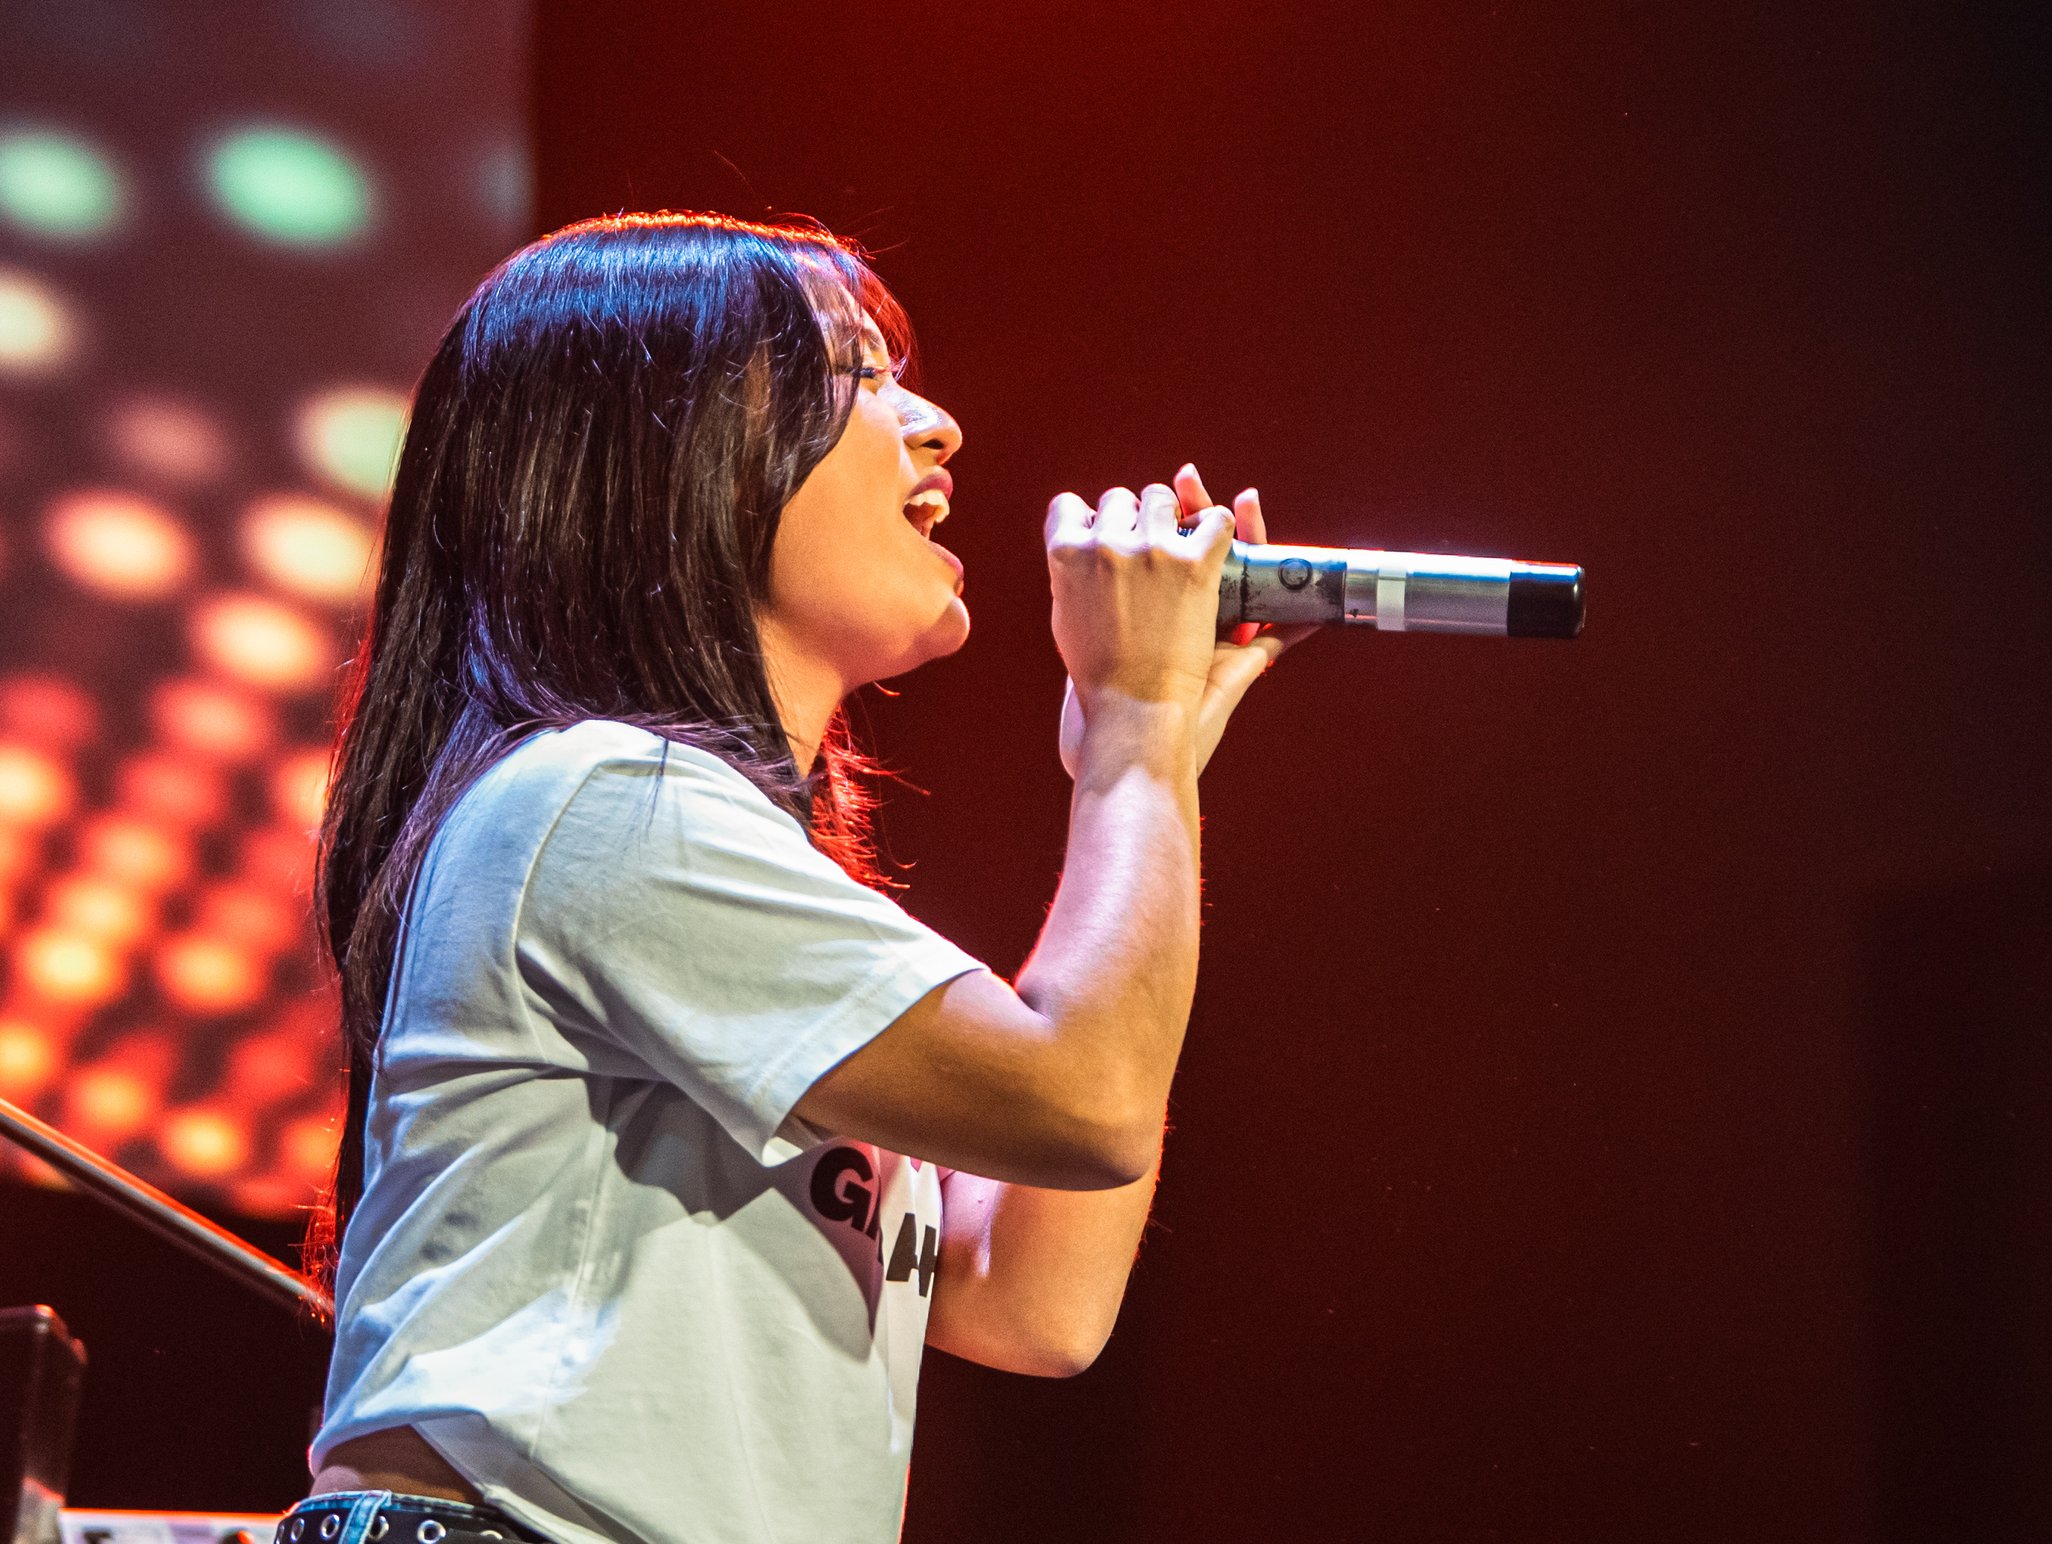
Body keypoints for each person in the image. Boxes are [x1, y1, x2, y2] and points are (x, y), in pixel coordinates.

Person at [284, 212, 1299, 1544]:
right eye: (858, 372)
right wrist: (1134, 739)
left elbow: (1031, 1301)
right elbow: (1087, 1097)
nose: (937, 426)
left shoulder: (690, 848)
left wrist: (1150, 761)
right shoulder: (597, 803)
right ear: (665, 453)